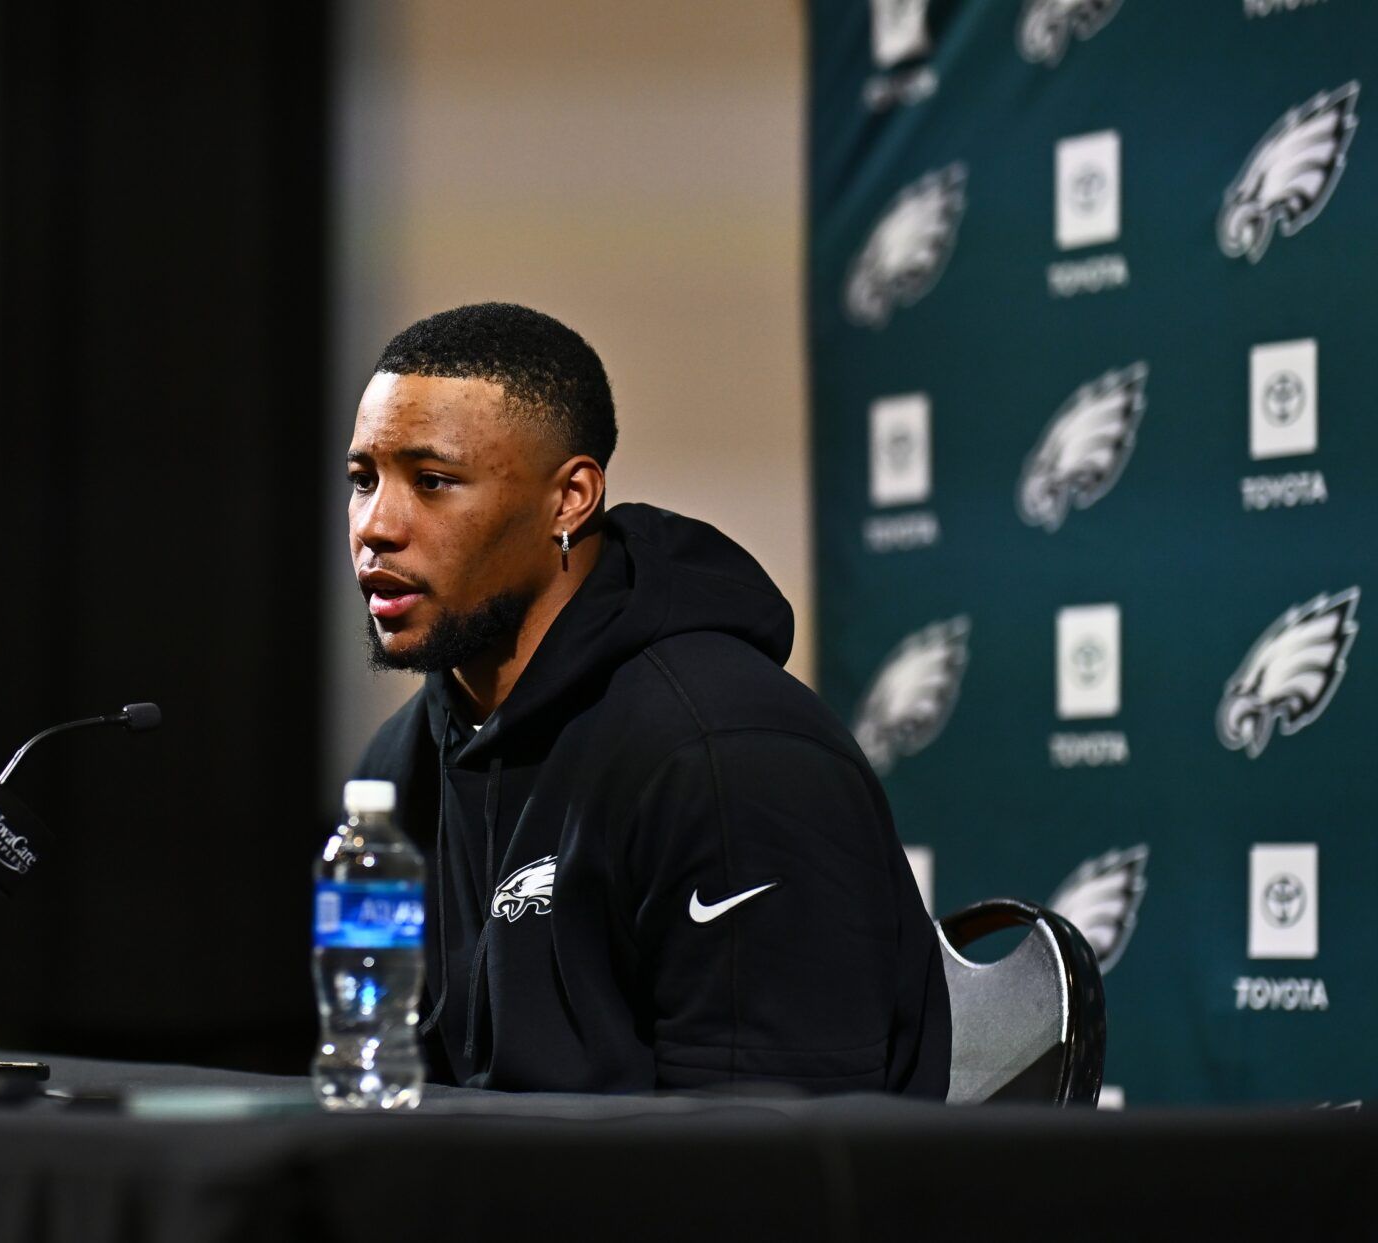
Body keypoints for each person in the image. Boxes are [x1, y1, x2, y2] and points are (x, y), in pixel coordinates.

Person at [347, 302, 950, 1096]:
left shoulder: (728, 755)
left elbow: (779, 1155)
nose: (377, 526)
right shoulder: (400, 765)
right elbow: (370, 1076)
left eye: (433, 482)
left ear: (570, 500)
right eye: (363, 479)